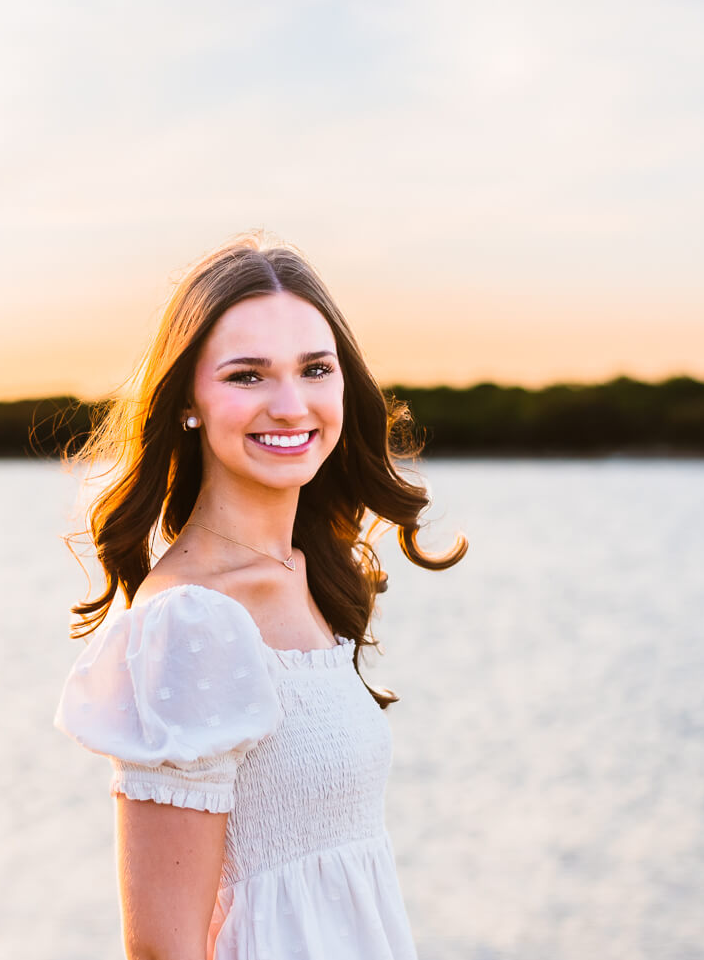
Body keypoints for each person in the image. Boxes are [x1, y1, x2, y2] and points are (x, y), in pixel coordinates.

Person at [53, 232, 467, 960]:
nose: (290, 404)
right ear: (189, 401)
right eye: (248, 376)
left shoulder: (308, 570)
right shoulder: (190, 622)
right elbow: (162, 949)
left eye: (315, 369)